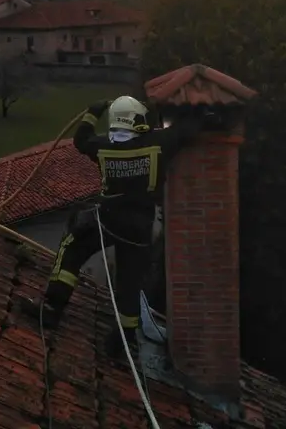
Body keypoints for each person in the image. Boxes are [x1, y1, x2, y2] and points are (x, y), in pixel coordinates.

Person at [21, 95, 203, 360]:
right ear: (137, 121)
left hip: (107, 220)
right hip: (140, 228)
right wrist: (202, 112)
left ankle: (52, 308)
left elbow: (80, 139)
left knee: (72, 248)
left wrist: (92, 113)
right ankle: (122, 343)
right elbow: (187, 130)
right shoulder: (159, 144)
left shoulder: (103, 147)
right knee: (129, 283)